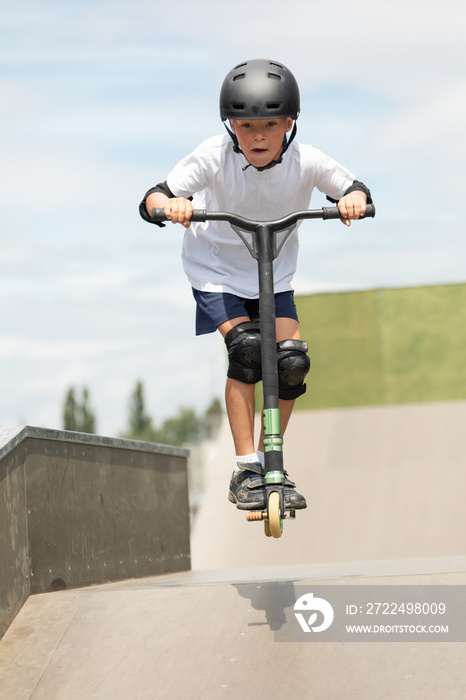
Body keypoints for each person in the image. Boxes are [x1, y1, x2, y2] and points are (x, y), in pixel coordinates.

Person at [139, 58, 372, 512]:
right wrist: (169, 206)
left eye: (270, 124)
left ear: (290, 123)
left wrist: (353, 199)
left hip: (273, 272)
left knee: (290, 363)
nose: (258, 136)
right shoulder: (212, 156)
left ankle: (271, 463)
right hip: (216, 270)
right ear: (230, 126)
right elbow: (153, 196)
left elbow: (354, 187)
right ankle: (245, 467)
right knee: (247, 351)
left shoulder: (308, 160)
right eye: (246, 126)